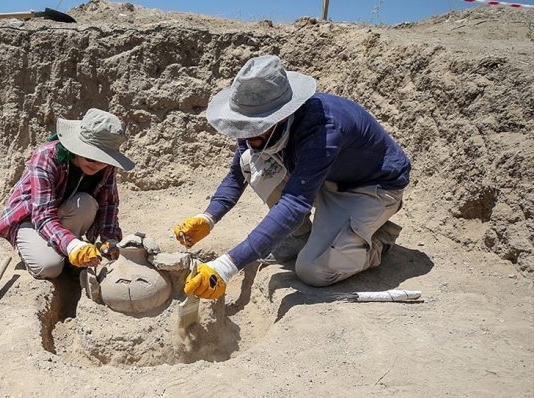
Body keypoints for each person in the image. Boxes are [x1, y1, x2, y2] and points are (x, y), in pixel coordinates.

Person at [175, 55, 411, 299]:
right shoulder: (255, 122)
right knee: (250, 160)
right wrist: (208, 217)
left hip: (369, 188)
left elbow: (294, 204)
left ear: (282, 115)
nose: (246, 136)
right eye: (243, 127)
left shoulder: (323, 130)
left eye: (255, 129)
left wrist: (226, 266)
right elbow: (237, 175)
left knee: (314, 271)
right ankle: (299, 236)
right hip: (323, 177)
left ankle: (378, 241)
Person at [0, 108, 135, 279]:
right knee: (49, 267)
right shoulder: (47, 156)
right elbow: (42, 216)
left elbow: (108, 204)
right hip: (31, 220)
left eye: (104, 160)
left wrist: (110, 239)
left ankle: (70, 255)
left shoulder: (106, 166)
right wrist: (72, 245)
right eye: (91, 157)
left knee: (85, 204)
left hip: (65, 215)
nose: (97, 165)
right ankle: (60, 250)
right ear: (79, 147)